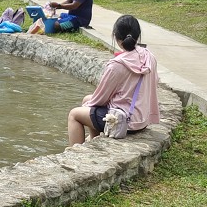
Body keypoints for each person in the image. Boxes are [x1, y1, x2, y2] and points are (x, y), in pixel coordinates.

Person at [67, 15, 160, 146]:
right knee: (87, 100)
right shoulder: (149, 57)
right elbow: (153, 83)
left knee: (74, 114)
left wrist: (87, 106)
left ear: (116, 37)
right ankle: (94, 140)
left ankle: (74, 155)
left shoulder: (117, 65)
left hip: (124, 122)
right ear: (137, 35)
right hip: (142, 119)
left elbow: (101, 98)